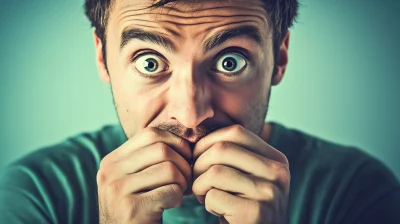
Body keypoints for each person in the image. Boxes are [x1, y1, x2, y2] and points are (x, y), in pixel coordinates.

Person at [0, 0, 399, 223]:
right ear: (103, 59)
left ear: (279, 58)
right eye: (150, 62)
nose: (190, 116)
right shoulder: (35, 195)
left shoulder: (356, 193)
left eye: (229, 61)